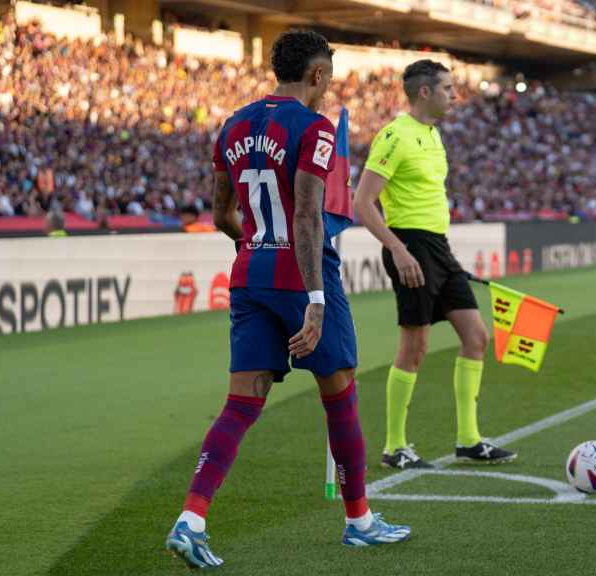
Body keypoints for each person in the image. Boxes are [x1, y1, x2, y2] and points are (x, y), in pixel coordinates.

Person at [164, 30, 409, 570]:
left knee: (241, 404)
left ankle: (192, 519)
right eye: (329, 78)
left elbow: (221, 214)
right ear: (317, 75)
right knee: (340, 393)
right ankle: (360, 521)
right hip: (302, 278)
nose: (328, 89)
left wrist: (255, 247)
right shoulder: (314, 128)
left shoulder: (232, 125)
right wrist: (316, 298)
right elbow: (305, 213)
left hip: (250, 274)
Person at [353, 59, 516, 469]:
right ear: (424, 92)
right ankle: (394, 447)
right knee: (415, 346)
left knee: (476, 337)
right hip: (410, 246)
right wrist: (399, 250)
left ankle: (468, 439)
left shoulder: (433, 135)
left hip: (438, 248)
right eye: (447, 88)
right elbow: (362, 203)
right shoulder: (394, 136)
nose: (454, 95)